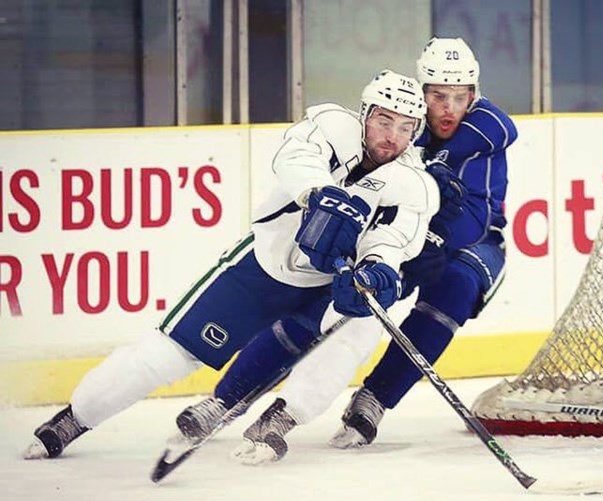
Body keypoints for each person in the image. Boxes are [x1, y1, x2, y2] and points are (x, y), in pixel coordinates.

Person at [23, 69, 440, 459]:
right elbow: (295, 158)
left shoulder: (415, 183)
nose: (392, 136)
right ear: (365, 115)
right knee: (171, 352)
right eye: (385, 121)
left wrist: (376, 270)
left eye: (406, 127)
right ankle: (73, 419)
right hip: (265, 265)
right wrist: (317, 194)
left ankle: (283, 416)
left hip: (330, 285)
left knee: (355, 328)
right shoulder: (331, 125)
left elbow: (394, 239)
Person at [231, 36, 517, 464]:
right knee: (340, 301)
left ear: (474, 95)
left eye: (460, 97)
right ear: (420, 92)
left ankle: (375, 399)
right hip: (397, 234)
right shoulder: (399, 121)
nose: (448, 109)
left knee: (455, 285)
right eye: (438, 96)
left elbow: (476, 212)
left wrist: (431, 241)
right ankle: (236, 391)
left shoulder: (483, 132)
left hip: (470, 243)